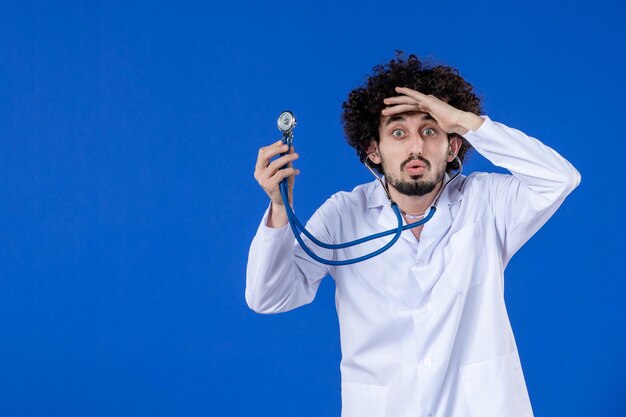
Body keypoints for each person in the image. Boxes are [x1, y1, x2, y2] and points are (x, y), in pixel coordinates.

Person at [246, 53, 580, 417]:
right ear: (373, 150)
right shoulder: (345, 213)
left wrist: (468, 123)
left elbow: (560, 179)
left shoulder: (485, 201)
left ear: (452, 145)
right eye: (398, 132)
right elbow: (269, 297)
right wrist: (280, 209)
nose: (415, 147)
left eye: (430, 130)